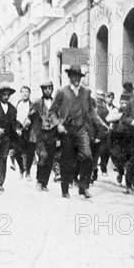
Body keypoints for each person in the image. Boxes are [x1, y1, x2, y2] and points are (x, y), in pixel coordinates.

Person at [49, 65, 102, 199]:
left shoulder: (86, 92)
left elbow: (90, 111)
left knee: (88, 157)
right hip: (67, 129)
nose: (76, 79)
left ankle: (83, 187)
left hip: (82, 129)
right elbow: (52, 112)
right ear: (69, 77)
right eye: (74, 76)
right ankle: (65, 189)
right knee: (67, 160)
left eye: (78, 77)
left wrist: (100, 124)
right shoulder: (62, 92)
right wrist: (58, 124)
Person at [28, 81, 58, 191]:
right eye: (45, 89)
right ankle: (39, 181)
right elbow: (30, 115)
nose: (48, 90)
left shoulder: (56, 103)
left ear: (52, 89)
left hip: (53, 134)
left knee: (50, 158)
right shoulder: (37, 103)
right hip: (40, 134)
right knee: (43, 156)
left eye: (50, 88)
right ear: (42, 90)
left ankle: (45, 182)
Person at [11, 86, 31, 179]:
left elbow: (34, 117)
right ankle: (21, 169)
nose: (25, 93)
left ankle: (27, 172)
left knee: (27, 151)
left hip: (28, 131)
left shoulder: (32, 105)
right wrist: (16, 129)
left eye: (26, 92)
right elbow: (13, 119)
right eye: (23, 92)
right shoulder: (17, 104)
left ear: (29, 93)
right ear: (21, 93)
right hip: (18, 131)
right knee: (16, 151)